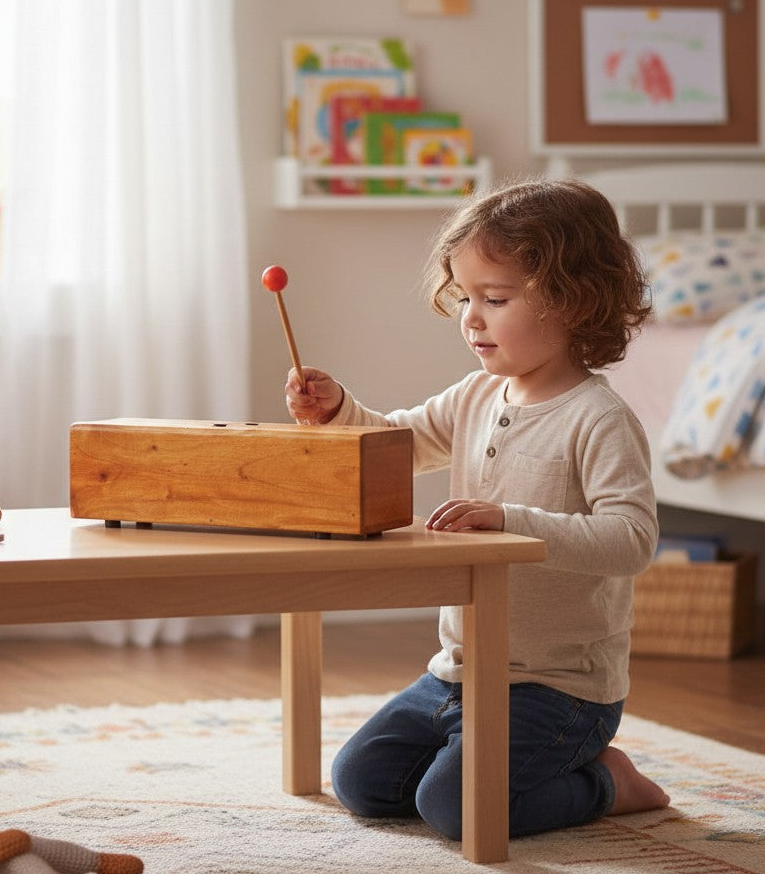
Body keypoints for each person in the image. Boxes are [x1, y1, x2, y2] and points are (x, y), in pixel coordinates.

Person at [284, 177, 671, 840]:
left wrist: (509, 519)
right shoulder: (474, 396)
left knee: (456, 807)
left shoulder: (598, 418)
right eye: (466, 297)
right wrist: (338, 410)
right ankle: (483, 760)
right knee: (361, 783)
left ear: (574, 303)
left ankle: (609, 781)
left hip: (561, 689)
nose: (471, 317)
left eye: (495, 299)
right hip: (459, 674)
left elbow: (631, 539)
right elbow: (396, 443)